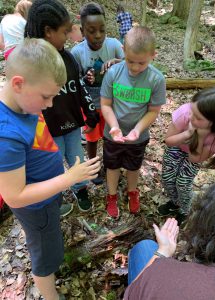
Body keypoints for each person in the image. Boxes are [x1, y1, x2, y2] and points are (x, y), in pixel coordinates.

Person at [0, 38, 100, 300]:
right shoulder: (6, 136)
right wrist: (68, 179)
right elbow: (14, 195)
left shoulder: (24, 102)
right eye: (47, 97)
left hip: (48, 194)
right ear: (18, 83)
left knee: (49, 241)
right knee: (45, 256)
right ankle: (50, 295)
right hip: (36, 207)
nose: (49, 104)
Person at [25, 0, 100, 213]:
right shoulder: (33, 63)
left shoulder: (67, 57)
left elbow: (78, 85)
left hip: (72, 123)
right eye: (64, 32)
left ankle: (79, 188)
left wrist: (89, 109)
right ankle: (53, 197)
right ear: (48, 31)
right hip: (49, 129)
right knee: (53, 164)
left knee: (77, 157)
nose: (68, 36)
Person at [101, 26, 166, 218]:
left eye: (141, 63)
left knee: (133, 166)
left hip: (138, 136)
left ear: (154, 55)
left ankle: (132, 192)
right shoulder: (113, 73)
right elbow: (105, 105)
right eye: (130, 61)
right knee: (112, 166)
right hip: (113, 133)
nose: (135, 67)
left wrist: (138, 129)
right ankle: (112, 196)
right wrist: (114, 126)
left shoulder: (156, 79)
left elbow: (154, 110)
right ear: (123, 50)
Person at [124, 179, 215, 300]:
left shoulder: (168, 275)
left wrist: (161, 253)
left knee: (145, 247)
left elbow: (130, 295)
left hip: (162, 279)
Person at [71, 2, 124, 185]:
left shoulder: (115, 45)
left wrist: (118, 62)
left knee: (111, 138)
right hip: (90, 106)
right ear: (82, 30)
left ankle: (111, 165)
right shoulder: (77, 53)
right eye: (92, 31)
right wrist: (84, 79)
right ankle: (93, 168)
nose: (98, 35)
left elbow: (131, 69)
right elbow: (74, 82)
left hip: (112, 104)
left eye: (102, 29)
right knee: (92, 139)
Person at [159, 87, 215, 223]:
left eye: (198, 118)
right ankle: (174, 202)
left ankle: (185, 209)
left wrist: (200, 137)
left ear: (214, 122)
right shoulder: (186, 113)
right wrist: (188, 134)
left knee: (183, 183)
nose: (191, 117)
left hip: (195, 152)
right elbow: (169, 141)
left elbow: (194, 158)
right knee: (167, 177)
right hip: (177, 146)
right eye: (192, 112)